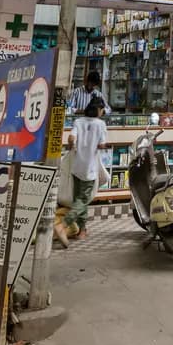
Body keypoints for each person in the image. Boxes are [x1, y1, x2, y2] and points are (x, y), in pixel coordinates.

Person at [64, 96, 108, 243]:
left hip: (77, 166)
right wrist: (101, 146)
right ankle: (64, 224)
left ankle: (82, 230)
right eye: (102, 109)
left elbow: (71, 138)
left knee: (78, 199)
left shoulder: (78, 121)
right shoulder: (100, 124)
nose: (102, 112)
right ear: (98, 109)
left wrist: (73, 145)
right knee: (83, 200)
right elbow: (102, 145)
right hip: (90, 168)